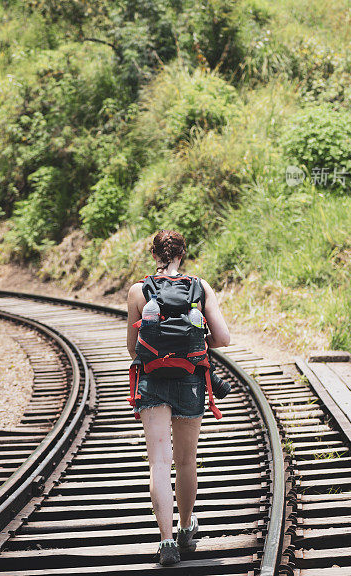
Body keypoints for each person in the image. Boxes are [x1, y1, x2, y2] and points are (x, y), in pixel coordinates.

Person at [127, 229, 231, 566]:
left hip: (152, 381)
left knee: (159, 460)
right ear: (181, 255)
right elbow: (223, 338)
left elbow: (133, 349)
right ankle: (187, 528)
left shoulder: (138, 291)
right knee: (186, 460)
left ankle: (167, 541)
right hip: (190, 379)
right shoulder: (200, 287)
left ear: (154, 255)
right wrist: (194, 340)